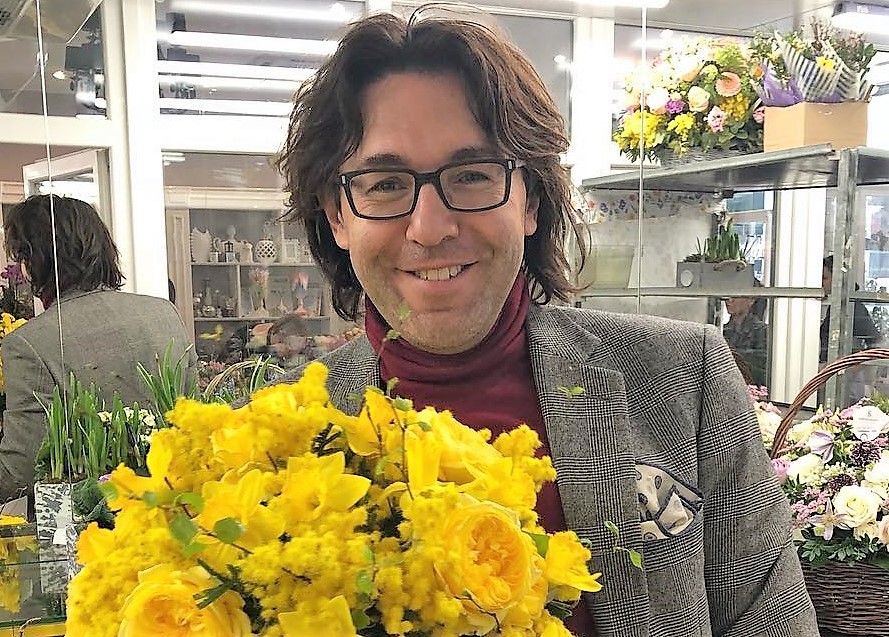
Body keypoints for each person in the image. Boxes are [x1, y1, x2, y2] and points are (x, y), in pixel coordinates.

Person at [271, 7, 818, 635]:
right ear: (337, 215)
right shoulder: (278, 438)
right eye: (385, 184)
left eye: (472, 176)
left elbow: (772, 618)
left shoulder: (683, 380)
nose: (429, 228)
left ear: (530, 199)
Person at [0, 194, 195, 504]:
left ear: (31, 263)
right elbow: (193, 416)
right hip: (178, 504)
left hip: (95, 519)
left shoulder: (29, 344)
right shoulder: (164, 313)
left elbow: (19, 472)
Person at [820, 255, 880, 362]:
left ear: (838, 280)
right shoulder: (837, 305)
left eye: (824, 278)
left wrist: (852, 366)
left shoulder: (853, 308)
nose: (820, 283)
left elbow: (875, 345)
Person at [723, 288, 768, 386]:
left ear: (751, 299)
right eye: (727, 294)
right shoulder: (722, 331)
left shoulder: (763, 332)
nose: (729, 300)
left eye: (735, 295)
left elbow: (763, 370)